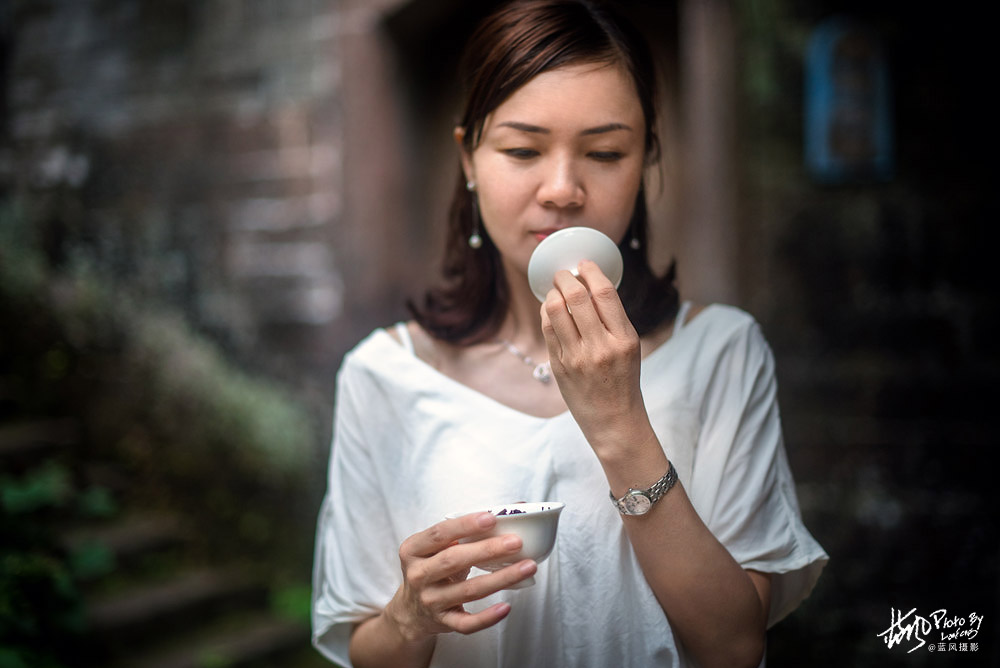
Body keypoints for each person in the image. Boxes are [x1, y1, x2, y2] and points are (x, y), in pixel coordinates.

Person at [311, 1, 828, 666]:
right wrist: (408, 617)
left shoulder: (723, 353)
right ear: (468, 158)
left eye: (605, 152)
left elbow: (732, 646)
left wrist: (620, 425)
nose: (562, 189)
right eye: (523, 149)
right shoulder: (383, 374)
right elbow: (367, 648)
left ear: (645, 160)